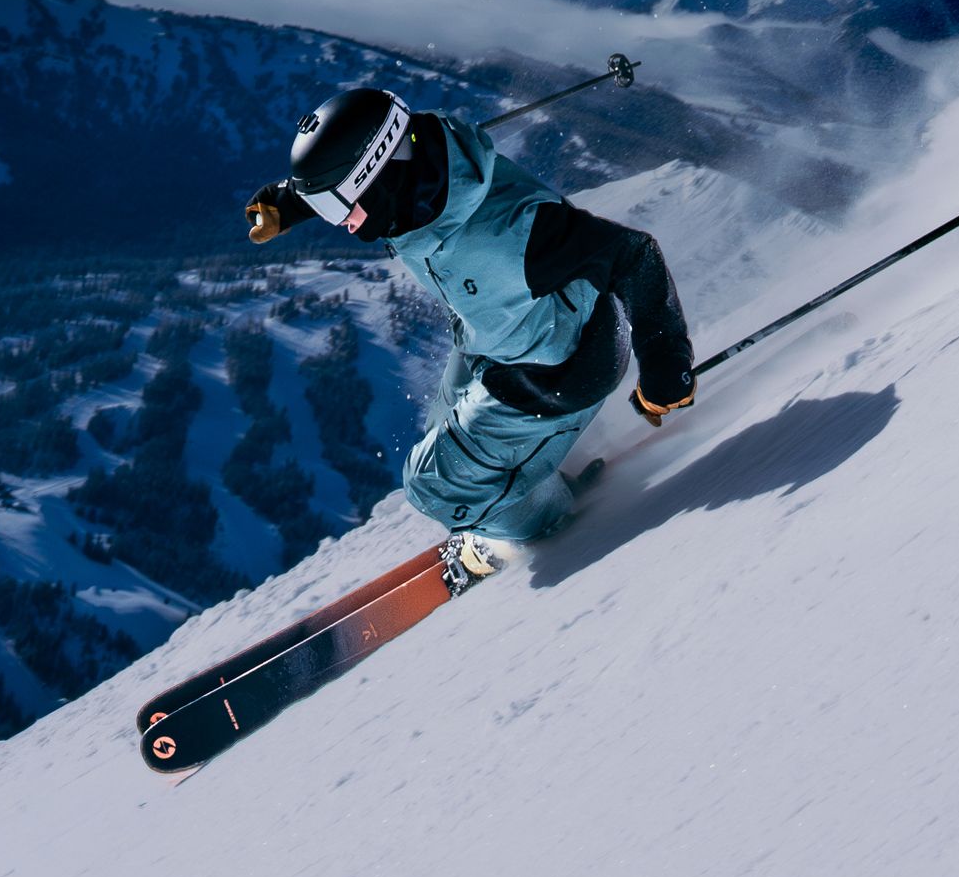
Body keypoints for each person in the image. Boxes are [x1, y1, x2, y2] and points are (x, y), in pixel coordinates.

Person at [245, 87, 695, 582]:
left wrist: (664, 362)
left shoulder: (511, 231)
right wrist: (292, 202)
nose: (344, 226)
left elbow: (634, 255)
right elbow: (369, 150)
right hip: (497, 335)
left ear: (377, 178)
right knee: (443, 433)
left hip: (558, 368)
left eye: (340, 208)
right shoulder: (417, 169)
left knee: (434, 485)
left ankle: (541, 526)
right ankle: (526, 485)